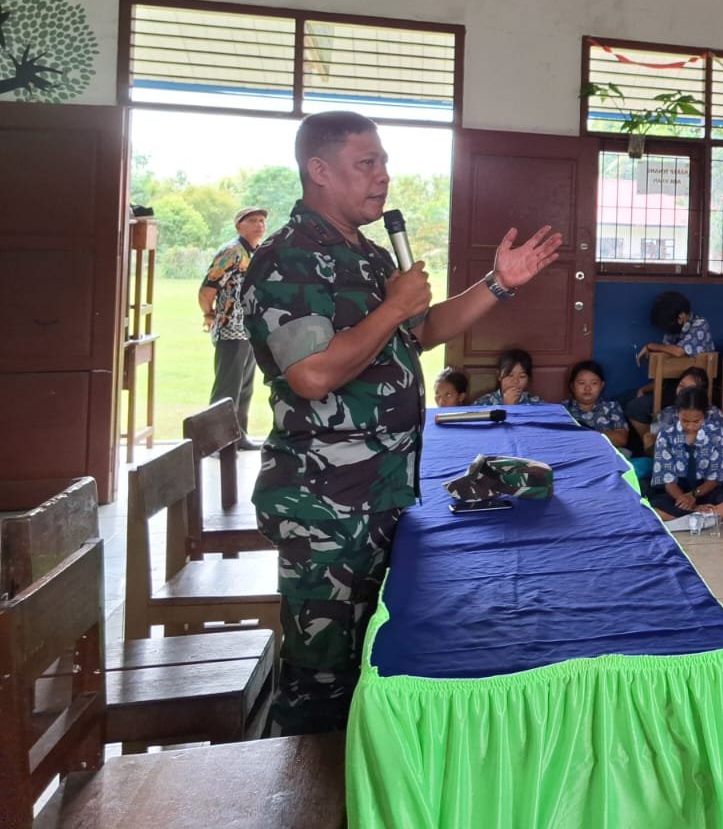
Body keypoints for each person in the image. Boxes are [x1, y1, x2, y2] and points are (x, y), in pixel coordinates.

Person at [242, 110, 561, 734]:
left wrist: (499, 283)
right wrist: (392, 308)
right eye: (367, 163)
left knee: (374, 658)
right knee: (322, 682)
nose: (383, 176)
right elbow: (311, 375)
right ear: (319, 170)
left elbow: (422, 329)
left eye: (384, 162)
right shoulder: (289, 258)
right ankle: (308, 780)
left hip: (383, 488)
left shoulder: (364, 253)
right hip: (327, 505)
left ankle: (369, 774)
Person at [199, 206, 270, 449]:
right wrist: (209, 314)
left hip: (249, 330)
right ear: (239, 226)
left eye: (262, 221)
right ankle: (217, 442)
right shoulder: (232, 252)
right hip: (231, 329)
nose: (259, 225)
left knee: (244, 387)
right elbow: (207, 290)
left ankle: (238, 436)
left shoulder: (255, 252)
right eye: (253, 221)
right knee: (227, 387)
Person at [648, 387, 723, 525]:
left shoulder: (716, 434)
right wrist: (685, 500)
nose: (690, 426)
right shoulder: (666, 434)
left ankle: (685, 520)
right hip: (676, 492)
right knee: (651, 509)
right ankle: (703, 517)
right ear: (678, 413)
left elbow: (715, 477)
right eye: (685, 421)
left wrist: (693, 495)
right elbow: (668, 479)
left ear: (704, 415)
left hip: (704, 489)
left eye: (696, 421)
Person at [624, 290, 715, 430]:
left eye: (668, 323)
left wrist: (650, 346)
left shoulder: (700, 325)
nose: (666, 328)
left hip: (691, 393)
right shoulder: (672, 332)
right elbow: (665, 373)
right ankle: (652, 441)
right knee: (626, 397)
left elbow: (679, 352)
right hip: (670, 387)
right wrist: (644, 389)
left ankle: (652, 442)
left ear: (681, 316)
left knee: (635, 407)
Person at [561, 360, 635, 469]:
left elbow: (621, 439)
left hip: (607, 460)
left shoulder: (611, 407)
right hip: (575, 460)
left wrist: (584, 436)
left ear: (602, 385)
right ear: (572, 386)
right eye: (581, 383)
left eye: (594, 383)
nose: (587, 388)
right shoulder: (563, 409)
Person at [473, 347, 540, 404]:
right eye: (510, 375)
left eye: (522, 376)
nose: (515, 381)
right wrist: (507, 406)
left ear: (528, 378)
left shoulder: (537, 404)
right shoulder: (482, 403)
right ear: (499, 375)